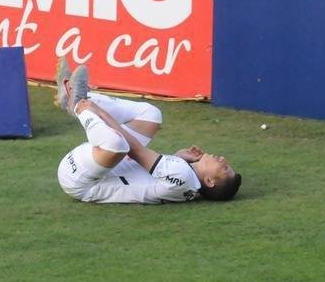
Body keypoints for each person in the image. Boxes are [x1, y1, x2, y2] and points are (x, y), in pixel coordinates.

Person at [55, 61, 241, 204]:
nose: (223, 159)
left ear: (209, 181)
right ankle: (76, 97)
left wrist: (99, 112)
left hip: (80, 180)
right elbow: (153, 178)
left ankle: (79, 104)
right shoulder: (188, 180)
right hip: (96, 165)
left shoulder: (184, 176)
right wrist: (179, 157)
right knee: (151, 115)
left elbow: (135, 151)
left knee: (118, 144)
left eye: (224, 168)